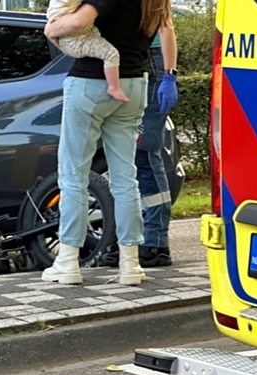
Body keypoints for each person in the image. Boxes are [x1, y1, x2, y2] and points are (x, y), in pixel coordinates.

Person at [41, 0, 177, 286]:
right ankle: (130, 264)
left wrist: (52, 27)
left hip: (91, 82)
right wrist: (170, 76)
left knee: (73, 175)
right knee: (126, 177)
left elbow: (79, 21)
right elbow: (167, 31)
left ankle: (67, 261)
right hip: (135, 83)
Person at [98, 31, 179, 268]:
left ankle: (155, 243)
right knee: (129, 157)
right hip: (129, 60)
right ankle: (135, 238)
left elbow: (166, 28)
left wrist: (169, 75)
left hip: (151, 62)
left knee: (144, 153)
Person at [46, 0, 128, 102]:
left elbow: (50, 31)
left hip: (72, 38)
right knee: (111, 54)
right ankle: (113, 87)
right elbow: (77, 22)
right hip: (79, 40)